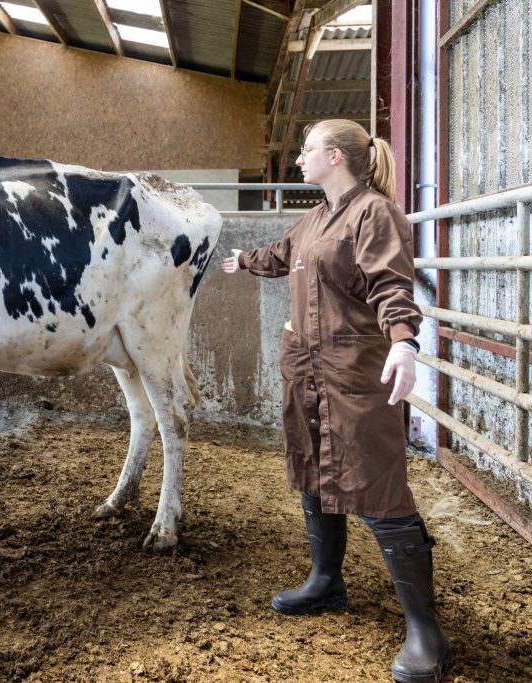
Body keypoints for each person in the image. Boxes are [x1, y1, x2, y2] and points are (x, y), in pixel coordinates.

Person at [220, 119, 451, 682]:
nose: (298, 160)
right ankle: (326, 582)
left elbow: (393, 285)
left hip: (353, 372)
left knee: (378, 485)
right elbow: (280, 255)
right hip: (305, 371)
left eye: (305, 151)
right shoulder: (314, 218)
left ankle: (426, 631)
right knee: (313, 472)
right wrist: (239, 260)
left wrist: (404, 343)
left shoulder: (374, 214)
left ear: (334, 156)